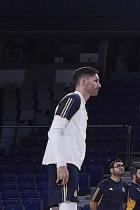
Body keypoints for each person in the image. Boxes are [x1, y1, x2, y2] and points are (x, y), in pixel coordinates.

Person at [43, 66, 101, 210]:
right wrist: (61, 164)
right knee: (68, 206)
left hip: (66, 162)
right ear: (83, 82)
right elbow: (54, 131)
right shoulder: (73, 98)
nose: (99, 85)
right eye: (96, 81)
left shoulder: (80, 104)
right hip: (65, 162)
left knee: (59, 207)